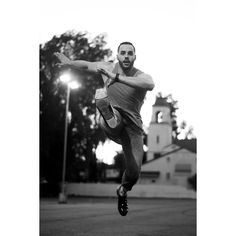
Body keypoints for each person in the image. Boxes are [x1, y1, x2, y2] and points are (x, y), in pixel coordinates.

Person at [54, 42, 155, 216]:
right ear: (117, 56)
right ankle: (108, 113)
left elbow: (150, 84)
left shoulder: (142, 76)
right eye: (122, 53)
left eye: (130, 53)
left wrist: (115, 78)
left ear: (134, 57)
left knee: (135, 171)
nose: (126, 56)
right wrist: (70, 62)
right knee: (109, 109)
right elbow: (86, 65)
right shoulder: (107, 67)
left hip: (133, 128)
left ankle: (122, 190)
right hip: (111, 119)